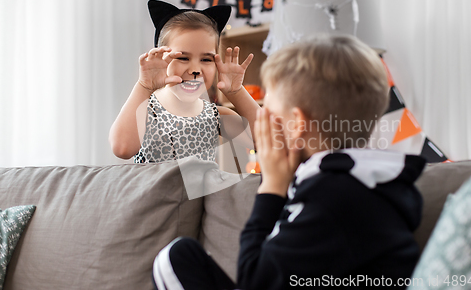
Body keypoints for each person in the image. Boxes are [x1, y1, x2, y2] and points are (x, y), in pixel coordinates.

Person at [152, 34, 426, 290]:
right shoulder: (355, 182)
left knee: (171, 263)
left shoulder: (333, 198)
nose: (263, 122)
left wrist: (271, 188)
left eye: (268, 111)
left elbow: (256, 282)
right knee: (180, 257)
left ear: (295, 124)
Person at [109, 0, 259, 163]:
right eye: (183, 57)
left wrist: (236, 92)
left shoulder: (215, 117)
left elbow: (270, 142)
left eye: (206, 59)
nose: (195, 69)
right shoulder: (147, 110)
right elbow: (122, 148)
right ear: (160, 58)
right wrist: (144, 86)